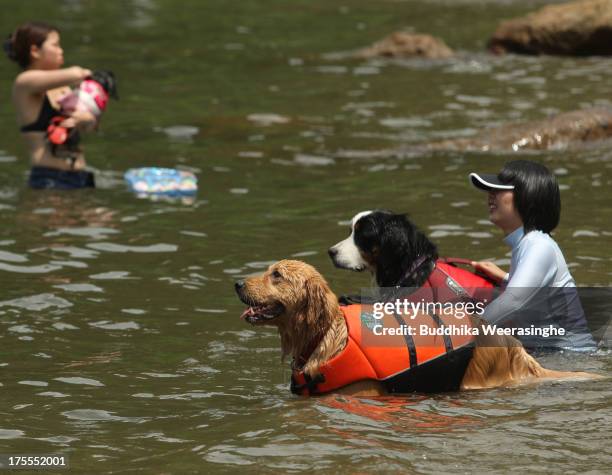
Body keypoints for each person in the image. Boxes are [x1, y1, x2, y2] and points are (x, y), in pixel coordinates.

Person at [469, 160, 595, 351]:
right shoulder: (527, 244)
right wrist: (506, 278)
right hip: (551, 356)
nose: (490, 195)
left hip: (571, 360)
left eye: (499, 189)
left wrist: (461, 330)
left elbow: (514, 300)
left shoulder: (538, 245)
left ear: (527, 197)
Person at [4, 21, 96, 189]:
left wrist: (84, 120)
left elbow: (89, 127)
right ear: (35, 51)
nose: (61, 50)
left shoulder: (63, 88)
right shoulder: (24, 82)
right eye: (56, 45)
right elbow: (76, 73)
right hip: (50, 179)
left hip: (80, 177)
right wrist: (86, 74)